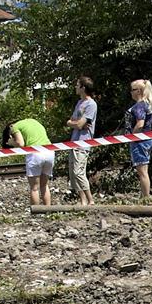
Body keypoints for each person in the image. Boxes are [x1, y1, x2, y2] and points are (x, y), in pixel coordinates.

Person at [4, 117, 56, 207]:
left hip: (35, 154)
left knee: (34, 188)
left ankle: (36, 212)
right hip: (50, 152)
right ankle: (48, 210)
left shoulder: (14, 127)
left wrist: (12, 143)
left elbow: (21, 143)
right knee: (44, 185)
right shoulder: (34, 121)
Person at [65, 75, 97, 206]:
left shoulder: (91, 104)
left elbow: (78, 124)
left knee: (79, 171)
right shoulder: (79, 103)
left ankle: (90, 200)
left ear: (83, 87)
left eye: (77, 85)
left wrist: (76, 123)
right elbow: (70, 122)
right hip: (74, 141)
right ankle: (82, 199)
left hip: (83, 142)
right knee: (73, 173)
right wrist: (75, 123)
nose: (75, 87)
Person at [125, 79, 152, 200]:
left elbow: (140, 124)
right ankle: (144, 195)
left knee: (142, 171)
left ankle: (146, 197)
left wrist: (132, 136)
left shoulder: (139, 106)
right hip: (147, 139)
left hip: (140, 141)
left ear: (139, 91)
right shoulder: (148, 104)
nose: (130, 93)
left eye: (132, 90)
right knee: (144, 170)